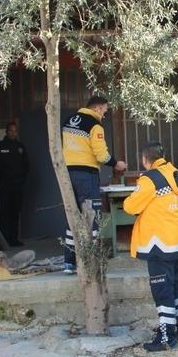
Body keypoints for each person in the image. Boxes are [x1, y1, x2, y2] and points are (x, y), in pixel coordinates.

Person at [123, 142, 178, 352]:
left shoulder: (150, 179)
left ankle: (166, 338)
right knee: (176, 288)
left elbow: (130, 206)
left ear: (145, 160)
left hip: (158, 244)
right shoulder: (173, 172)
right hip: (176, 241)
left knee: (162, 292)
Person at [61, 96, 127, 274]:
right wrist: (116, 164)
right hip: (86, 175)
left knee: (72, 218)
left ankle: (69, 263)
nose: (104, 114)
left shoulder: (69, 121)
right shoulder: (94, 125)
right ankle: (92, 262)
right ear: (97, 108)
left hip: (67, 174)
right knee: (92, 219)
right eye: (105, 110)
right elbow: (101, 155)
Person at [0, 122, 29, 246]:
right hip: (3, 186)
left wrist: (21, 177)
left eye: (15, 131)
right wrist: (3, 170)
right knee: (4, 213)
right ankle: (3, 241)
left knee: (15, 213)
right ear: (6, 131)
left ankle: (14, 239)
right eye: (11, 131)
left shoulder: (20, 147)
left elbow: (27, 166)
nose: (13, 133)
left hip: (17, 186)